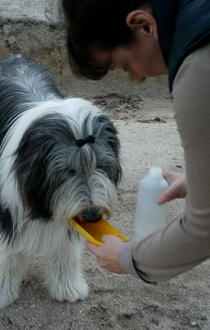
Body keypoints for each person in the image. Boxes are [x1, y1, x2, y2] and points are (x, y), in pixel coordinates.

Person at [61, 0, 210, 283]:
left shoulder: (199, 69)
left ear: (143, 25)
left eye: (125, 65)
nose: (138, 79)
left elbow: (205, 227)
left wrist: (128, 257)